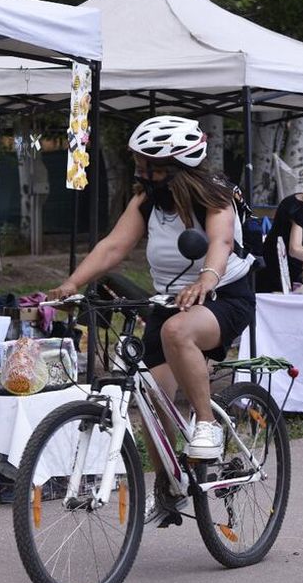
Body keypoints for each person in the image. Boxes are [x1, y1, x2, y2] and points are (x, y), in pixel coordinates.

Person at [49, 116, 256, 527]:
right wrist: (71, 283)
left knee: (178, 331)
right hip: (170, 299)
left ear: (181, 165)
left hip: (223, 296)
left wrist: (206, 279)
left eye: (152, 166)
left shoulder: (214, 196)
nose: (143, 173)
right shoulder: (146, 200)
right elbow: (113, 247)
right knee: (152, 395)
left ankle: (208, 425)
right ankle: (167, 488)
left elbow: (221, 242)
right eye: (140, 164)